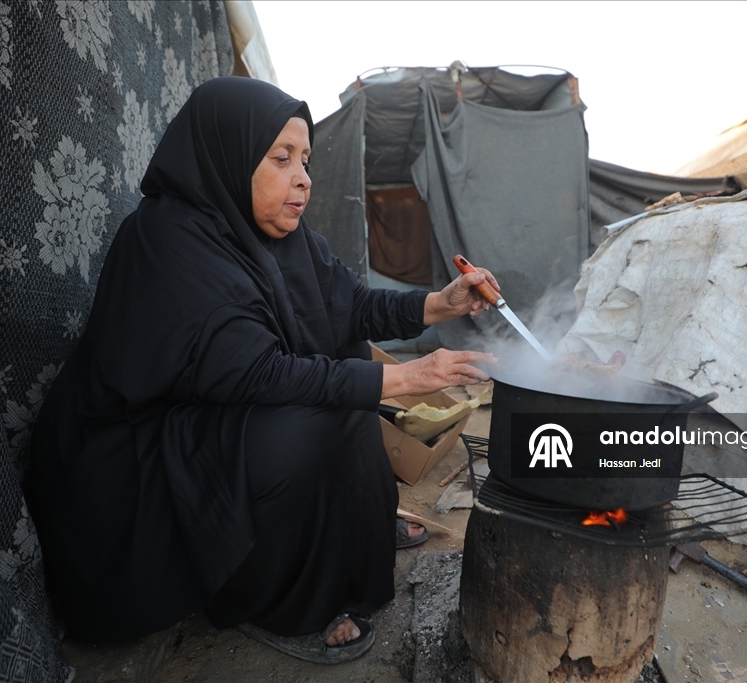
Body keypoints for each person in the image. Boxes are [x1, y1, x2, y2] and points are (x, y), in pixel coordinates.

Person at [28, 77, 496, 664]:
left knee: (347, 362)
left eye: (306, 160)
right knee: (317, 419)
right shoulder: (168, 240)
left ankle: (360, 532)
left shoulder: (280, 234)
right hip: (134, 458)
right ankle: (273, 599)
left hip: (215, 413)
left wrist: (440, 304)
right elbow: (254, 373)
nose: (303, 178)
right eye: (281, 159)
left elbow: (350, 304)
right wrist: (405, 378)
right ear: (230, 154)